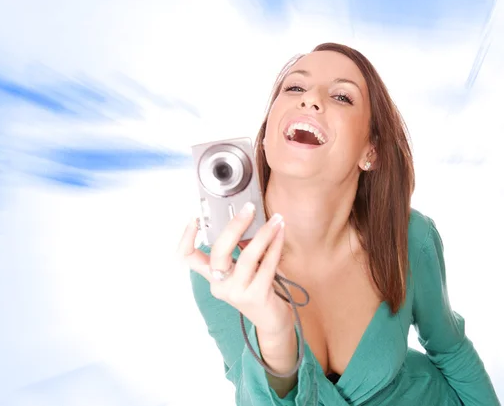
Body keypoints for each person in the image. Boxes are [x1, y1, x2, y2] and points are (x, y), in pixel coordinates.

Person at [176, 43, 500, 405]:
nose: (310, 99)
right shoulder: (222, 267)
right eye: (295, 88)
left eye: (342, 97)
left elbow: (452, 351)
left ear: (370, 151)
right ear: (266, 136)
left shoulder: (410, 238)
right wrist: (274, 330)